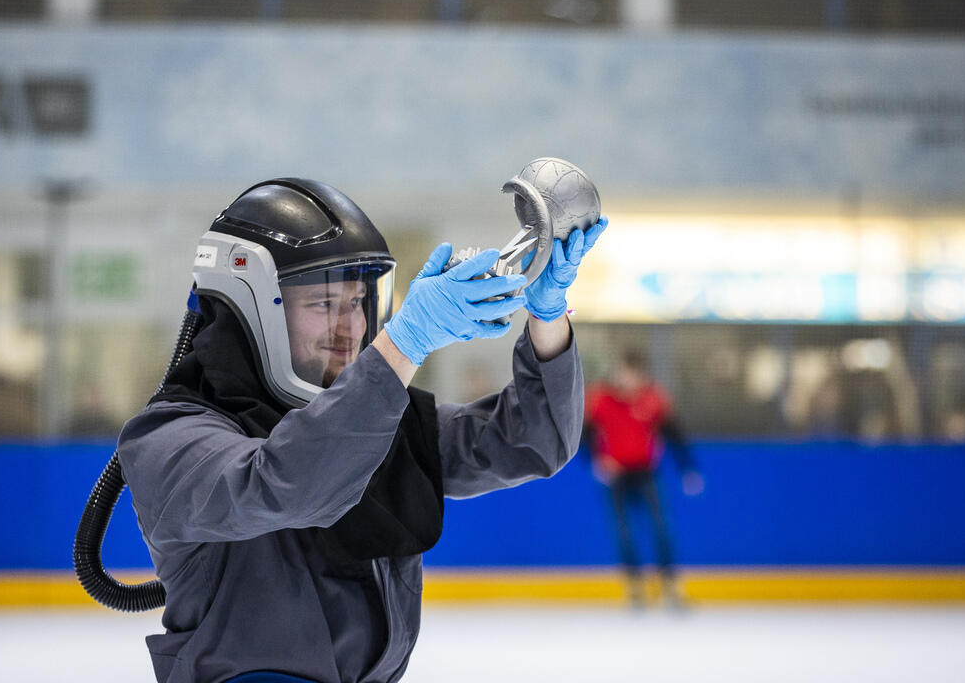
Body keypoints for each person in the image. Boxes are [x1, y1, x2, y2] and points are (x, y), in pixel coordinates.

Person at [118, 178, 607, 683]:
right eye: (323, 304)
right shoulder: (168, 438)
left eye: (356, 302)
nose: (350, 328)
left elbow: (531, 440)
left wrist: (547, 313)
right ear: (251, 305)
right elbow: (288, 483)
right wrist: (407, 341)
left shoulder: (377, 419)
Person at [585, 348, 703, 608]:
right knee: (623, 530)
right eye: (623, 374)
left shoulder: (653, 399)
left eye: (633, 375)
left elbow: (674, 434)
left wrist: (687, 468)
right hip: (616, 475)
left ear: (641, 375)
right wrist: (597, 461)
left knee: (661, 527)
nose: (627, 380)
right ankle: (635, 586)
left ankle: (670, 586)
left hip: (646, 471)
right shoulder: (601, 399)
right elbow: (586, 434)